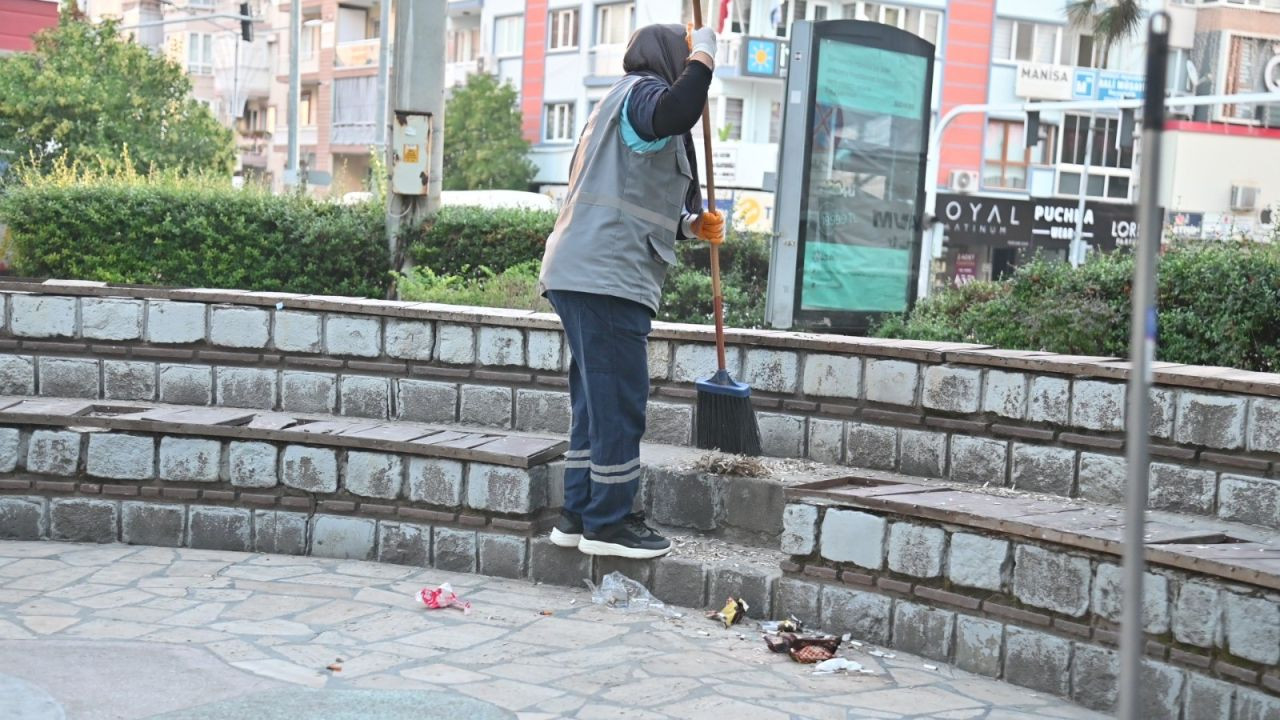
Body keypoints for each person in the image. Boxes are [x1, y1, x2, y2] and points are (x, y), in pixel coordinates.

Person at [538, 23, 724, 560]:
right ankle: (610, 523)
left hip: (582, 270)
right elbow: (675, 112)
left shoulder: (614, 105)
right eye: (683, 59)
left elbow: (634, 188)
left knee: (595, 404)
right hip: (607, 275)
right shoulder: (645, 93)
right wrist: (706, 58)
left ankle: (577, 514)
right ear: (670, 59)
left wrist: (692, 226)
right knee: (618, 401)